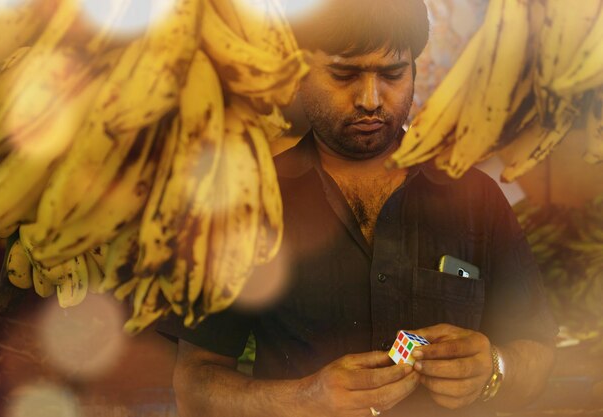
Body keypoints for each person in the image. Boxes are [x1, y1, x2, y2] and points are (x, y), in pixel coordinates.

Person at [156, 1, 558, 416]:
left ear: (415, 72)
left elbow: (538, 352)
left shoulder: (476, 197)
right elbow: (194, 385)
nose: (370, 99)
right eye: (344, 74)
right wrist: (307, 398)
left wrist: (496, 368)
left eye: (392, 74)